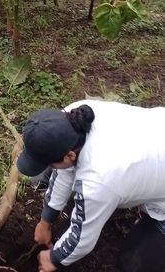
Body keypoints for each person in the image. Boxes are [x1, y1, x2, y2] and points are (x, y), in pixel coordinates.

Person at [17, 99, 165, 272]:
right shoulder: (71, 116)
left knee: (132, 264)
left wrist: (54, 259)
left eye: (51, 163)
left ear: (70, 156)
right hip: (154, 136)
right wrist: (46, 220)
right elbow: (63, 172)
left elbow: (83, 240)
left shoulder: (98, 181)